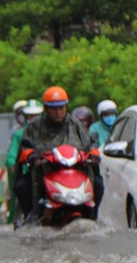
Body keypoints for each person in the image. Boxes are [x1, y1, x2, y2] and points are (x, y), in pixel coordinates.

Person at [17, 86, 97, 224]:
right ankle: (32, 217)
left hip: (75, 171)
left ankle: (94, 215)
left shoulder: (74, 123)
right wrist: (31, 156)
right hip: (44, 172)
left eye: (61, 107)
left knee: (99, 184)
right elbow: (25, 149)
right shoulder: (35, 126)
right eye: (54, 109)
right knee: (22, 186)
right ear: (46, 109)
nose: (58, 112)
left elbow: (90, 144)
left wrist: (94, 155)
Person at [6, 99, 42, 225]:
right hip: (30, 172)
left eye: (36, 115)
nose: (34, 118)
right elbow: (12, 156)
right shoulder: (19, 134)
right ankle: (28, 217)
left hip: (50, 170)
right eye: (31, 115)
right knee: (21, 186)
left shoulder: (52, 130)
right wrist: (13, 165)